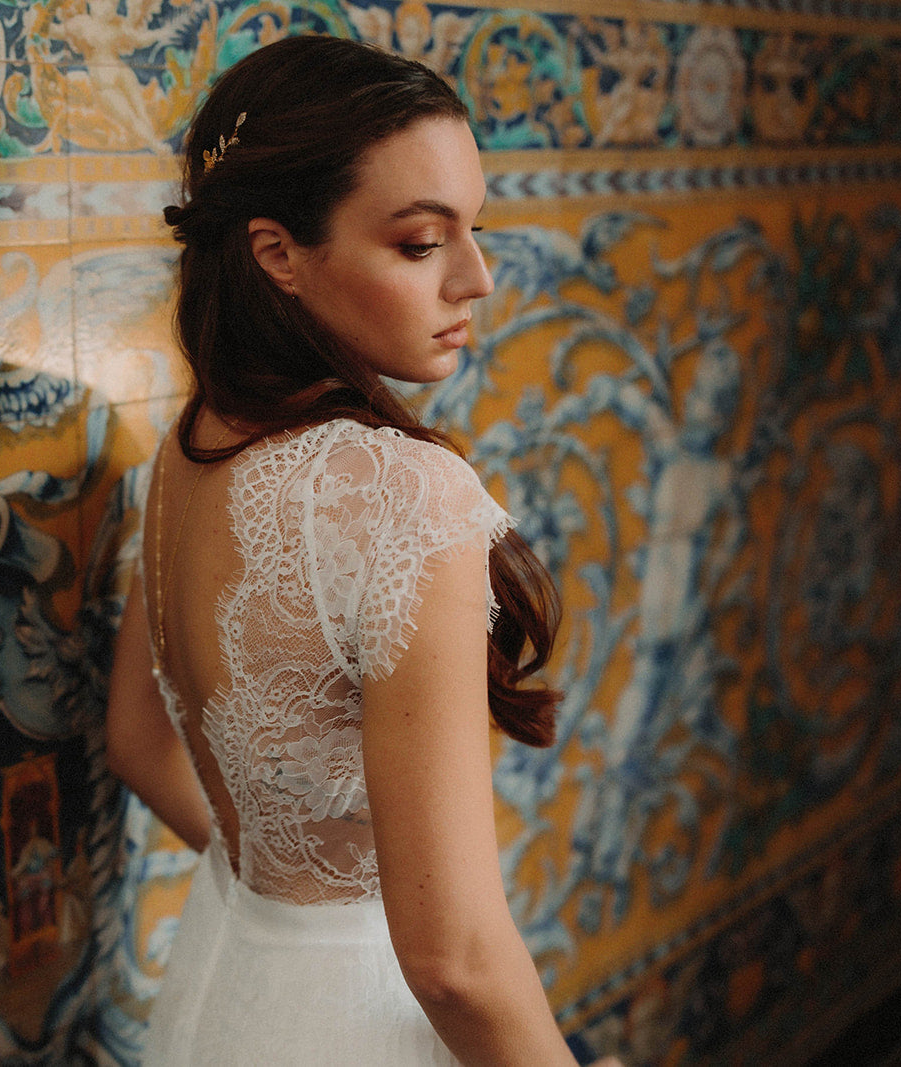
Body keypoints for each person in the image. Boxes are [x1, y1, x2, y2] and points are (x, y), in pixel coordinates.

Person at [106, 36, 618, 1066]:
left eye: (474, 231)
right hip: (360, 1026)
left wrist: (288, 899)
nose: (475, 279)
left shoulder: (186, 449)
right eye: (422, 243)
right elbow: (453, 962)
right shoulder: (398, 494)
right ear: (277, 253)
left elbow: (136, 739)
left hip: (224, 985)